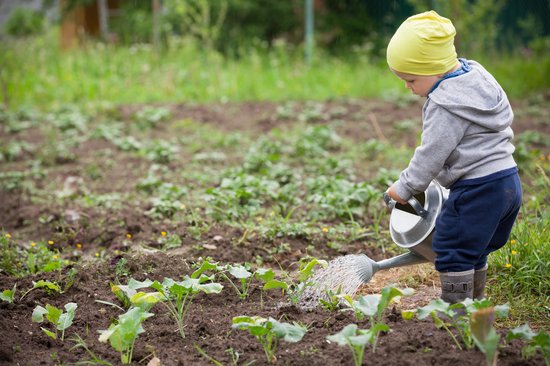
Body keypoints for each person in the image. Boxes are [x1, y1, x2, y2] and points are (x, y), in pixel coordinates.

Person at [384, 10, 522, 304]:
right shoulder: (476, 77)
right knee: (475, 247)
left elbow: (431, 154)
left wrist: (405, 188)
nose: (409, 89)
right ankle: (475, 301)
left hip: (478, 188)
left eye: (410, 80)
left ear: (433, 68)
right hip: (508, 182)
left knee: (451, 247)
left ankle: (456, 312)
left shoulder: (444, 104)